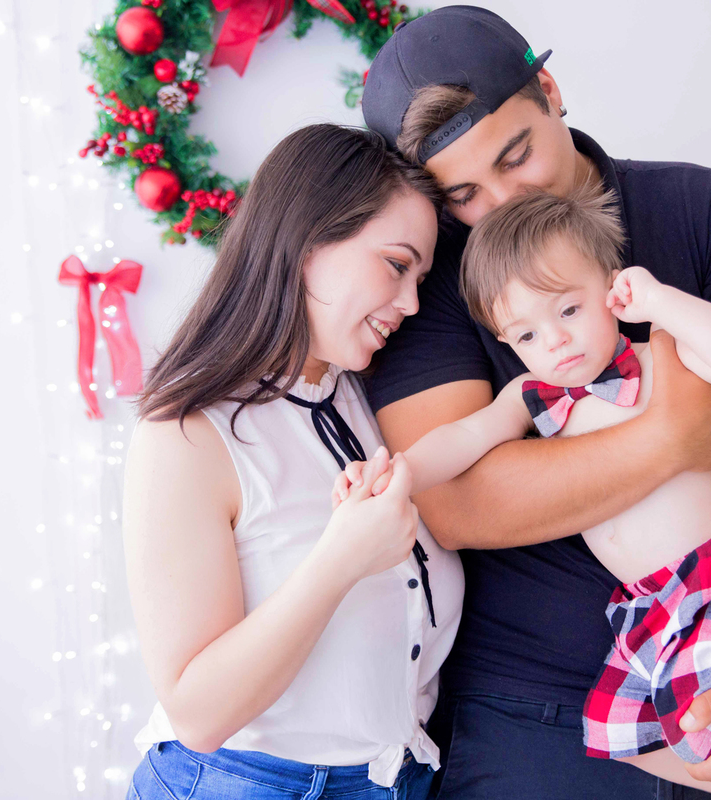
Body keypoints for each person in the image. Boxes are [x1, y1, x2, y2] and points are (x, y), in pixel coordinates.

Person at [359, 7, 711, 799]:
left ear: (549, 89)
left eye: (516, 155)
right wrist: (672, 436)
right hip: (521, 716)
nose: (500, 202)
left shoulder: (710, 212)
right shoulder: (438, 279)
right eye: (463, 195)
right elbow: (453, 502)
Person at [121, 124, 464, 800]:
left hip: (399, 778)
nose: (412, 302)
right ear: (307, 240)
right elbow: (199, 712)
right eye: (396, 265)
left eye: (420, 277)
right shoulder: (187, 436)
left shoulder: (360, 394)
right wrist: (339, 560)